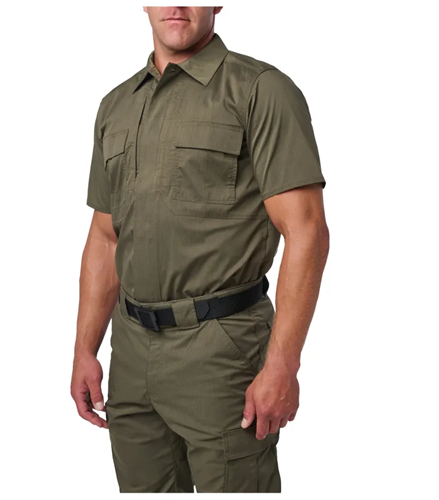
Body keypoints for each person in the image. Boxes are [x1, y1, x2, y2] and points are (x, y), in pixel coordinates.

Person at [70, 6, 329, 493]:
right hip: (131, 351)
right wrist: (85, 349)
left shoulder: (260, 90)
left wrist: (282, 365)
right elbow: (105, 236)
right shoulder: (116, 105)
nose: (176, 6)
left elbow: (307, 232)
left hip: (222, 351)